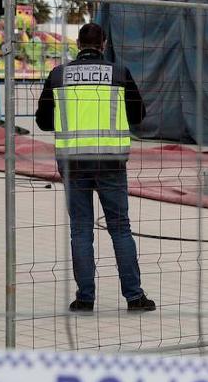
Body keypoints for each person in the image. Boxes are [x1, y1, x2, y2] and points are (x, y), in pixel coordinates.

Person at [35, 22, 155, 313]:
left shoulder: (58, 75)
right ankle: (134, 297)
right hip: (111, 162)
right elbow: (139, 115)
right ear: (104, 44)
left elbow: (43, 121)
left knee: (80, 230)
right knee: (120, 229)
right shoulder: (118, 73)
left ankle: (85, 298)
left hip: (73, 162)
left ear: (78, 44)